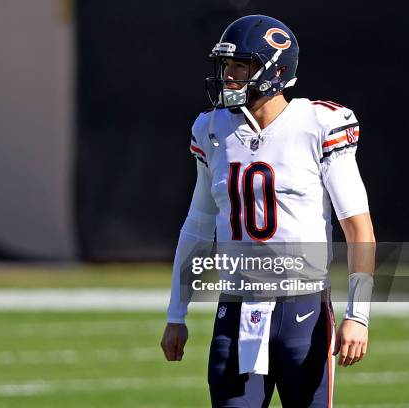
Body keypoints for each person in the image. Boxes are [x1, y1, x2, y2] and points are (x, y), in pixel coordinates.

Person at [160, 15, 375, 407]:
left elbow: (358, 228)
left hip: (304, 312)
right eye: (226, 65)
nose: (229, 75)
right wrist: (177, 313)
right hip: (235, 308)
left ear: (275, 71)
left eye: (241, 65)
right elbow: (198, 224)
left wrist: (357, 314)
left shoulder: (319, 124)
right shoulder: (211, 129)